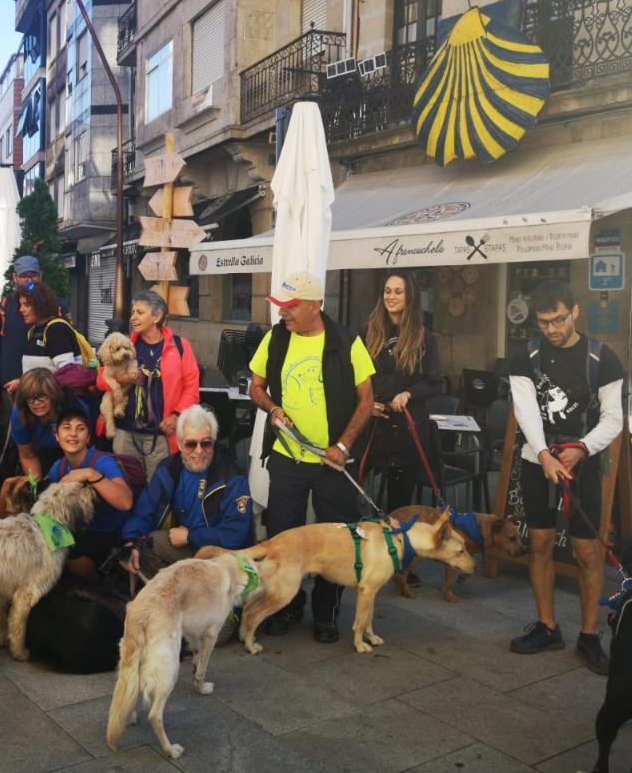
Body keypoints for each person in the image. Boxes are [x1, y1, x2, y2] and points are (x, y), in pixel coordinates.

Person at [248, 272, 375, 644]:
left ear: (315, 305)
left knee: (336, 541)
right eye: (281, 307)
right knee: (283, 537)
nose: (283, 314)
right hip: (288, 457)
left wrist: (344, 446)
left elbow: (367, 399)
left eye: (291, 307)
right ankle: (286, 606)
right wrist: (271, 409)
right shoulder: (276, 338)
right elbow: (255, 386)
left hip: (332, 462)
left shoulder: (346, 340)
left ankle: (326, 613)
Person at [506, 279, 624, 675]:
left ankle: (589, 635)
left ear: (575, 312)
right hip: (537, 456)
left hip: (584, 458)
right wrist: (544, 455)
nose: (552, 329)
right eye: (544, 322)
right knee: (539, 542)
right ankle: (547, 625)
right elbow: (525, 411)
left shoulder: (602, 358)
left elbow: (613, 419)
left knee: (588, 550)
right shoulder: (525, 356)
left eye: (558, 320)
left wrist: (582, 449)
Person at [119, 404, 252, 580]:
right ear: (180, 445)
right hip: (187, 546)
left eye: (206, 443)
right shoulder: (168, 469)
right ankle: (178, 596)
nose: (199, 451)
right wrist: (130, 541)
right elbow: (145, 509)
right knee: (141, 548)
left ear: (213, 442)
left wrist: (191, 536)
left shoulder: (232, 476)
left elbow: (236, 535)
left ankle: (200, 596)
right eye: (191, 444)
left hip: (222, 556)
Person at [361, 271, 443, 512]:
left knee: (399, 504)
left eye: (398, 291)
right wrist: (366, 402)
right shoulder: (366, 332)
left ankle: (396, 545)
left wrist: (408, 393)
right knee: (355, 492)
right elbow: (355, 375)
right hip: (371, 426)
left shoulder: (424, 336)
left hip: (406, 430)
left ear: (410, 297)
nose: (391, 296)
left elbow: (435, 382)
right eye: (387, 291)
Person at [97, 290, 200, 477]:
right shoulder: (125, 346)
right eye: (133, 312)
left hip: (162, 434)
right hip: (125, 432)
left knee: (159, 488)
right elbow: (100, 380)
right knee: (127, 487)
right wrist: (124, 378)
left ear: (157, 316)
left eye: (140, 312)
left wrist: (177, 415)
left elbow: (192, 388)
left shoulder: (180, 346)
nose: (133, 317)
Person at [42, 407, 133, 580]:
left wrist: (90, 474)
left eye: (80, 428)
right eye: (66, 427)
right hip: (77, 531)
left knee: (72, 563)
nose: (73, 434)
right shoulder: (58, 467)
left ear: (88, 437)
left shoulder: (102, 462)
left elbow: (126, 502)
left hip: (107, 532)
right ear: (57, 436)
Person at [0, 255, 66, 410]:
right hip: (11, 390)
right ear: (15, 277)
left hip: (47, 390)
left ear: (40, 276)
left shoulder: (56, 306)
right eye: (23, 276)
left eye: (33, 275)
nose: (29, 281)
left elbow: (67, 361)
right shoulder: (4, 308)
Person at [0, 369, 89, 494]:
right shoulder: (20, 412)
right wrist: (39, 489)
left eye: (42, 397)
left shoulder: (71, 408)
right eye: (30, 398)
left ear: (53, 395)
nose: (36, 403)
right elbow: (27, 455)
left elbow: (80, 450)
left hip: (76, 450)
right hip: (42, 452)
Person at [19, 281, 80, 374]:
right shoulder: (34, 330)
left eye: (26, 304)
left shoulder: (56, 330)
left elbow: (69, 375)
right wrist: (22, 382)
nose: (21, 309)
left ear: (40, 304)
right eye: (20, 304)